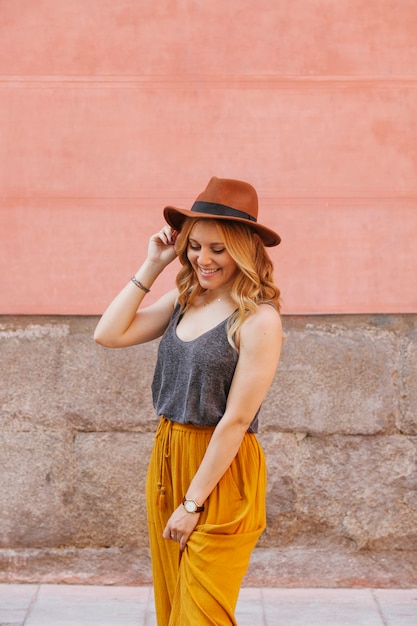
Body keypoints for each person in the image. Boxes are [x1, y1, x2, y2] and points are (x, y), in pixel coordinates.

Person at [94, 176, 283, 625]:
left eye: (218, 248)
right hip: (168, 456)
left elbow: (236, 421)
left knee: (201, 614)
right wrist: (153, 264)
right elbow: (108, 334)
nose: (204, 258)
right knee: (173, 605)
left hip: (221, 469)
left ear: (244, 249)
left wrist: (192, 503)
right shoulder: (184, 298)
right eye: (195, 246)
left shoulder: (258, 319)